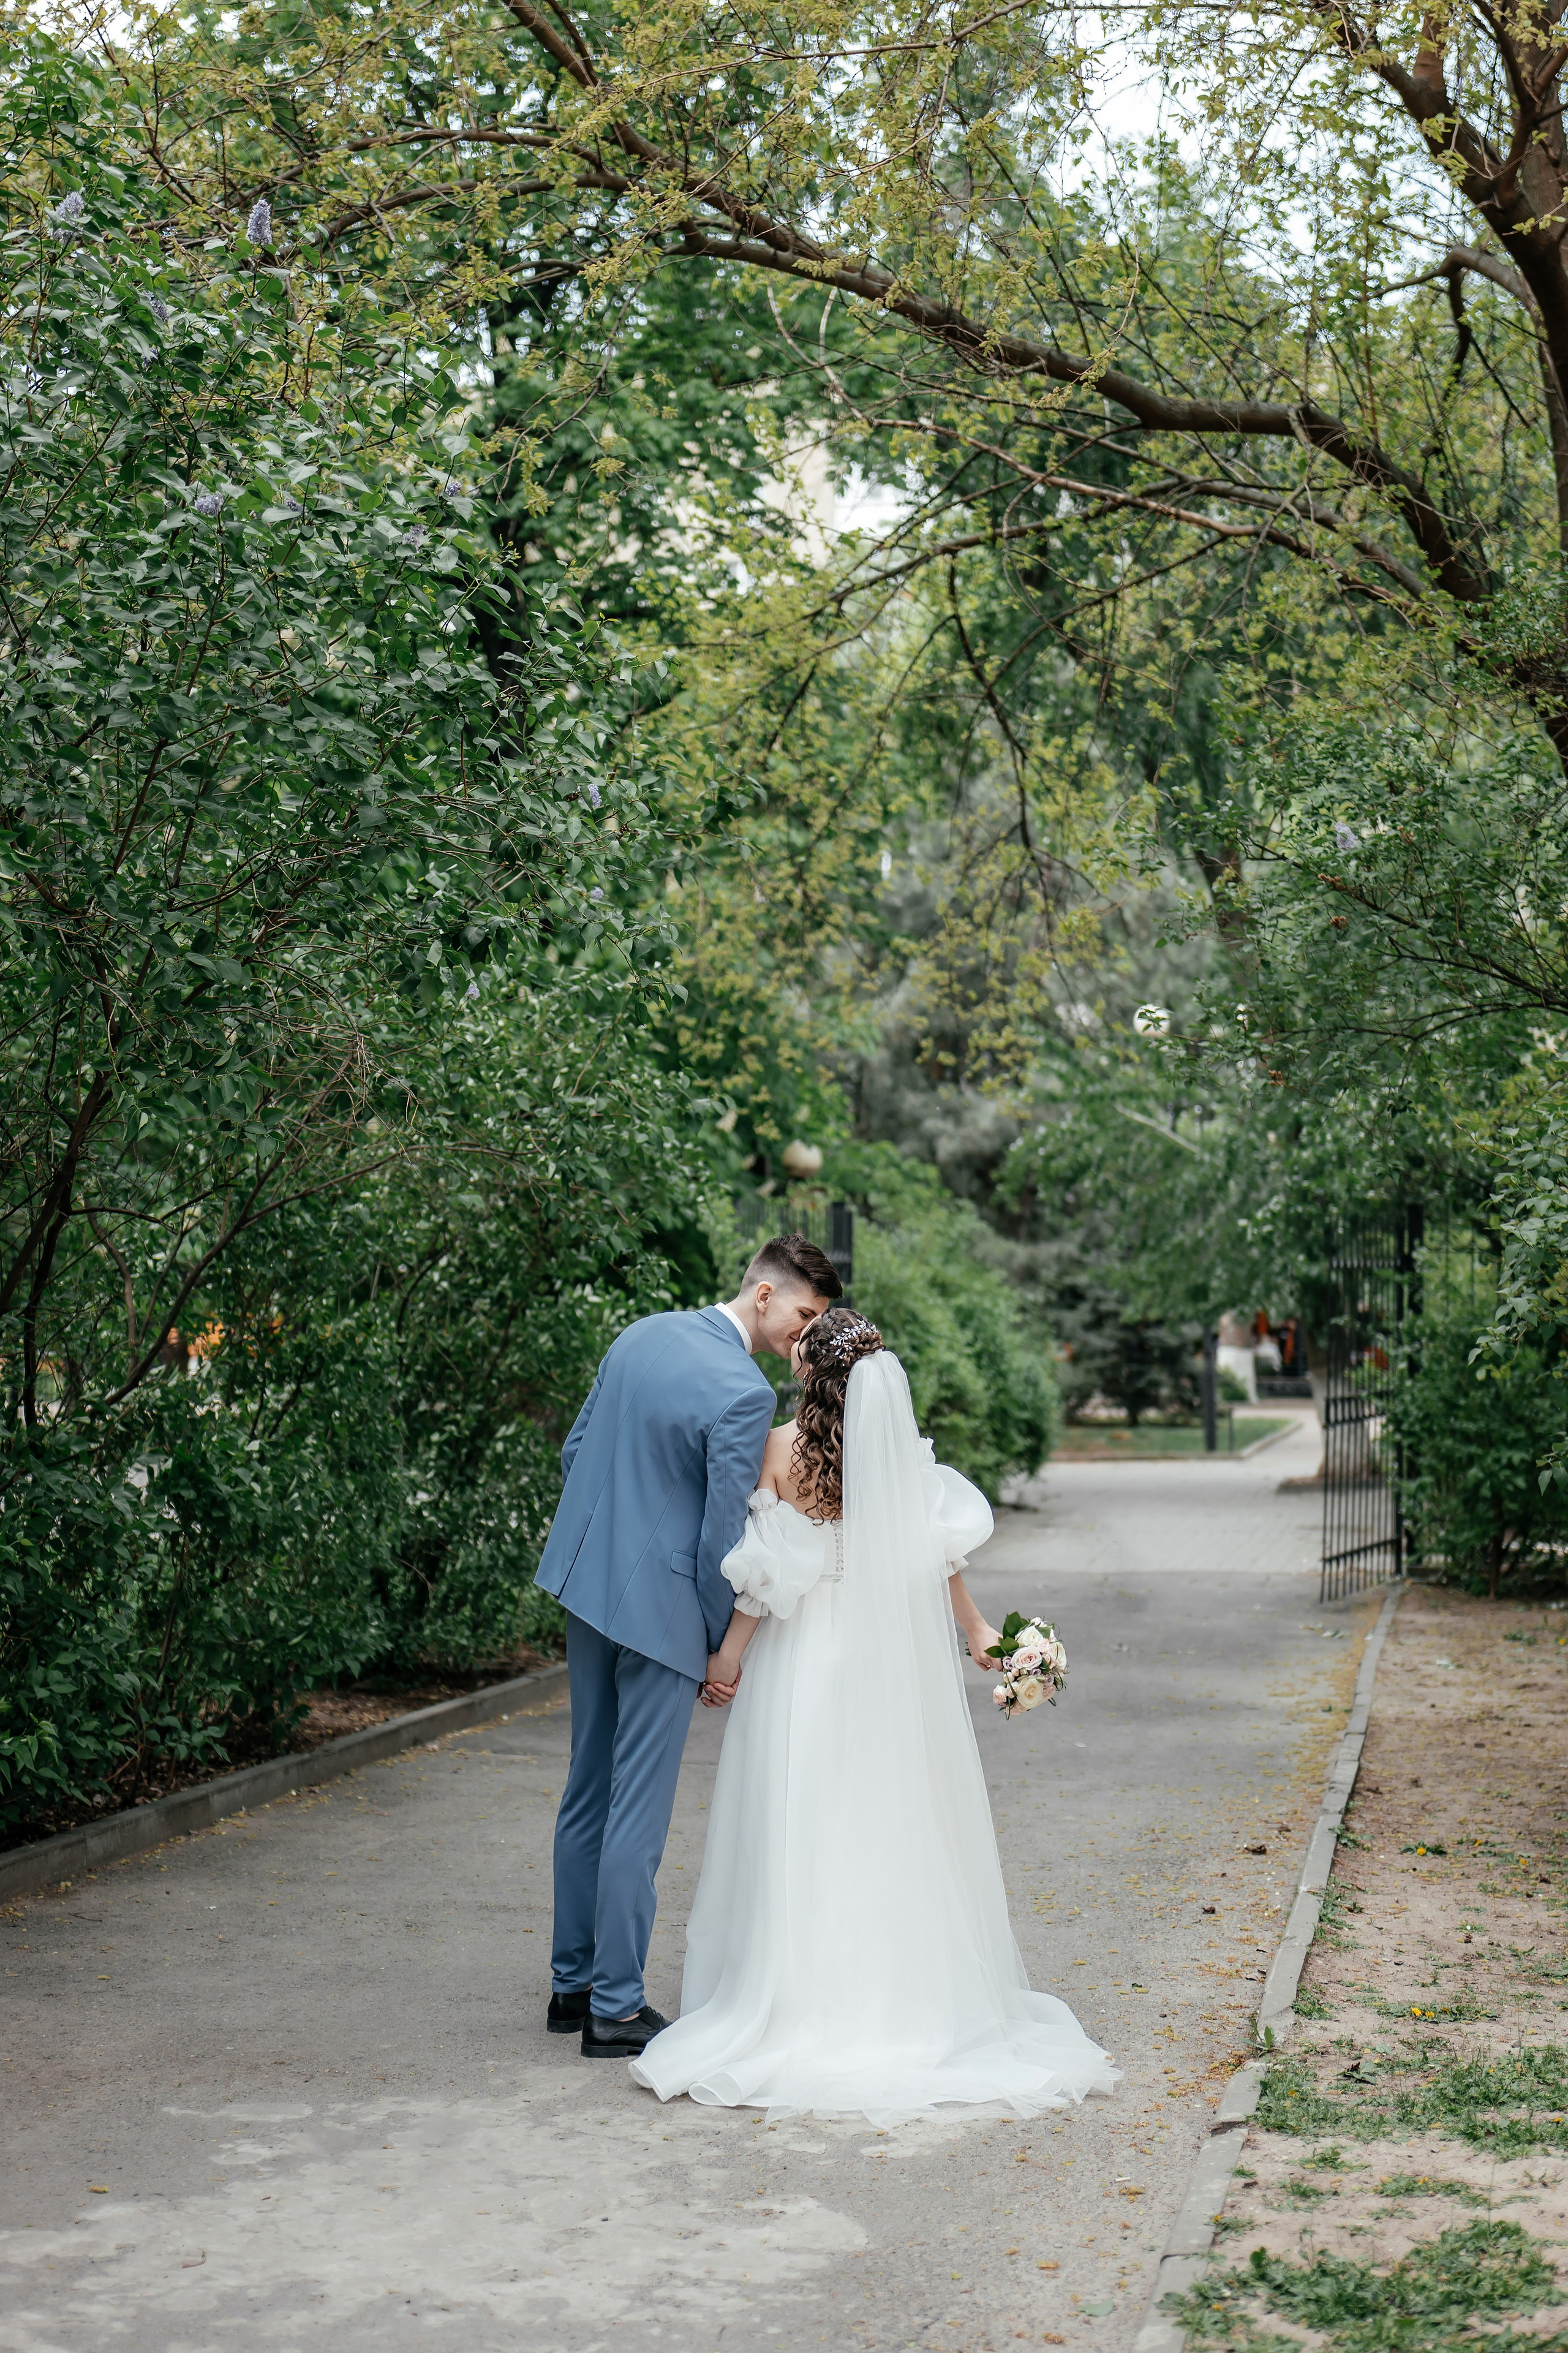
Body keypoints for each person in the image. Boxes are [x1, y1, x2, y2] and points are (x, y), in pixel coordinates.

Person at [630, 1305, 1118, 2123]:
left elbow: (768, 1574)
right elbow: (937, 1554)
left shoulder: (778, 1450)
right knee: (888, 1816)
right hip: (883, 1657)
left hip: (805, 1658)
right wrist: (977, 1631)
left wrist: (729, 1657)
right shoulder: (897, 1454)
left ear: (808, 1372)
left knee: (802, 1820)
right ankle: (901, 1997)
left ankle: (799, 1997)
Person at [535, 1233, 840, 2059]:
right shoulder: (744, 1391)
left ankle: (571, 1986)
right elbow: (719, 1537)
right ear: (765, 1294)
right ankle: (616, 2007)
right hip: (665, 1612)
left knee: (587, 1787)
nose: (806, 1333)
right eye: (804, 1313)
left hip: (586, 1584)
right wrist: (716, 1644)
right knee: (637, 1808)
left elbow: (576, 1452)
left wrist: (605, 1543)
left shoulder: (640, 1333)